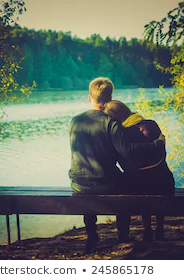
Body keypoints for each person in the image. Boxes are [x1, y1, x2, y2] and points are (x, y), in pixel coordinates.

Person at [68, 77, 166, 253]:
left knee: (87, 181)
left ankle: (91, 232)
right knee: (127, 183)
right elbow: (129, 151)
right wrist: (157, 144)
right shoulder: (111, 122)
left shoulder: (75, 121)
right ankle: (122, 235)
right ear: (110, 97)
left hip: (78, 183)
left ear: (89, 97)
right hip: (105, 184)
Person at [103, 100, 175, 241]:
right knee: (154, 179)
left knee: (136, 183)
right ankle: (159, 227)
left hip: (139, 185)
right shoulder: (151, 124)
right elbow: (162, 153)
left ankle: (146, 229)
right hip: (164, 182)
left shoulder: (121, 134)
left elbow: (123, 162)